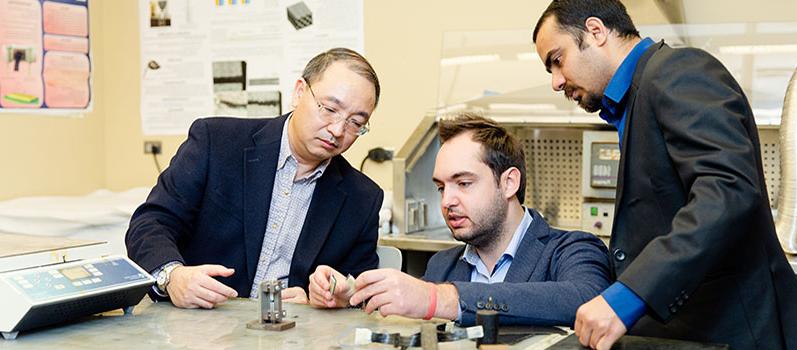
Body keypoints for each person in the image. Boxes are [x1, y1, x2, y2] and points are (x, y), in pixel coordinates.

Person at [532, 1, 797, 349]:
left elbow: (728, 191)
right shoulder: (635, 101)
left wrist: (627, 296)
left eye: (557, 60)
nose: (556, 81)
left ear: (595, 31)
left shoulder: (679, 71)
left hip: (736, 332)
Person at [126, 48, 384, 309]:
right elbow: (150, 222)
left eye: (355, 123)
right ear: (299, 92)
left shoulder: (362, 198)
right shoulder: (216, 143)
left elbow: (358, 285)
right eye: (329, 109)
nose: (338, 130)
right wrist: (173, 276)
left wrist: (333, 297)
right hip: (200, 326)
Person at [307, 113, 611, 326]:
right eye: (441, 187)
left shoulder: (571, 250)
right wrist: (354, 298)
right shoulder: (442, 266)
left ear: (509, 183)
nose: (447, 200)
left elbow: (587, 298)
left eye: (463, 183)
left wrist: (440, 299)